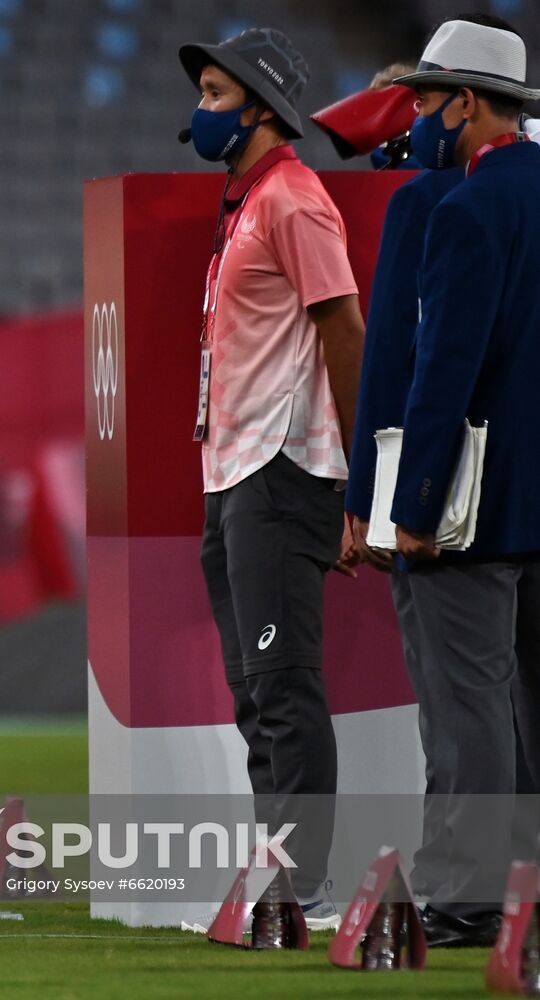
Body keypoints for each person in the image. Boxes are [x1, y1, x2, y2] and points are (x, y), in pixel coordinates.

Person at [177, 27, 364, 925]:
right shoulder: (246, 201)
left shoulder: (293, 199)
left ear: (259, 104)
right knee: (256, 694)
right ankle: (281, 875)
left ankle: (311, 888)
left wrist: (362, 482)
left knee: (285, 686)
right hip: (232, 470)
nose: (201, 109)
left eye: (215, 93)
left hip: (281, 469)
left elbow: (345, 328)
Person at [388, 14, 540, 949]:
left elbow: (446, 366)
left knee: (467, 706)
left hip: (480, 503)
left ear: (469, 104)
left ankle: (470, 896)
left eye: (426, 99)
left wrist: (412, 506)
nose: (417, 117)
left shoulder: (468, 209)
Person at [315, 68, 464, 909]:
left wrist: (372, 501)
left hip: (444, 502)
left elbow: (400, 372)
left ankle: (463, 891)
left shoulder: (422, 205)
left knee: (455, 706)